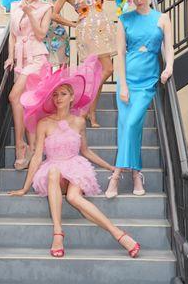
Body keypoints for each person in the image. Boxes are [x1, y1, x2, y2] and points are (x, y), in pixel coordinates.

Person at [9, 55, 140, 259]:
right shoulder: (44, 123)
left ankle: (119, 234)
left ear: (71, 97)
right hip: (53, 169)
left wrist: (110, 167)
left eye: (63, 94)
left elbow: (86, 151)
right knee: (53, 171)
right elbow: (36, 157)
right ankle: (58, 233)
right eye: (55, 95)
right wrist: (25, 187)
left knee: (73, 197)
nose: (58, 98)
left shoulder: (79, 122)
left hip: (75, 167)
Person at [105, 0, 174, 198]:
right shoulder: (125, 19)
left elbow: (168, 48)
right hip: (127, 81)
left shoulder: (162, 19)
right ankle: (136, 175)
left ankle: (115, 176)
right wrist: (122, 85)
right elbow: (121, 55)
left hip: (148, 81)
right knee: (128, 126)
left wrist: (170, 67)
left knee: (132, 123)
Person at [53, 0, 117, 127]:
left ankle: (91, 113)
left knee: (100, 72)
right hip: (87, 32)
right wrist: (73, 24)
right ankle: (86, 108)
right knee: (108, 70)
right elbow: (54, 14)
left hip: (103, 29)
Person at [4, 0, 53, 170]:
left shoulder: (46, 7)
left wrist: (31, 14)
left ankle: (20, 146)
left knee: (14, 96)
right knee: (27, 104)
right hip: (21, 60)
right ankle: (32, 147)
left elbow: (41, 34)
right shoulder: (15, 6)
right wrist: (9, 56)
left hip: (36, 59)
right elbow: (13, 36)